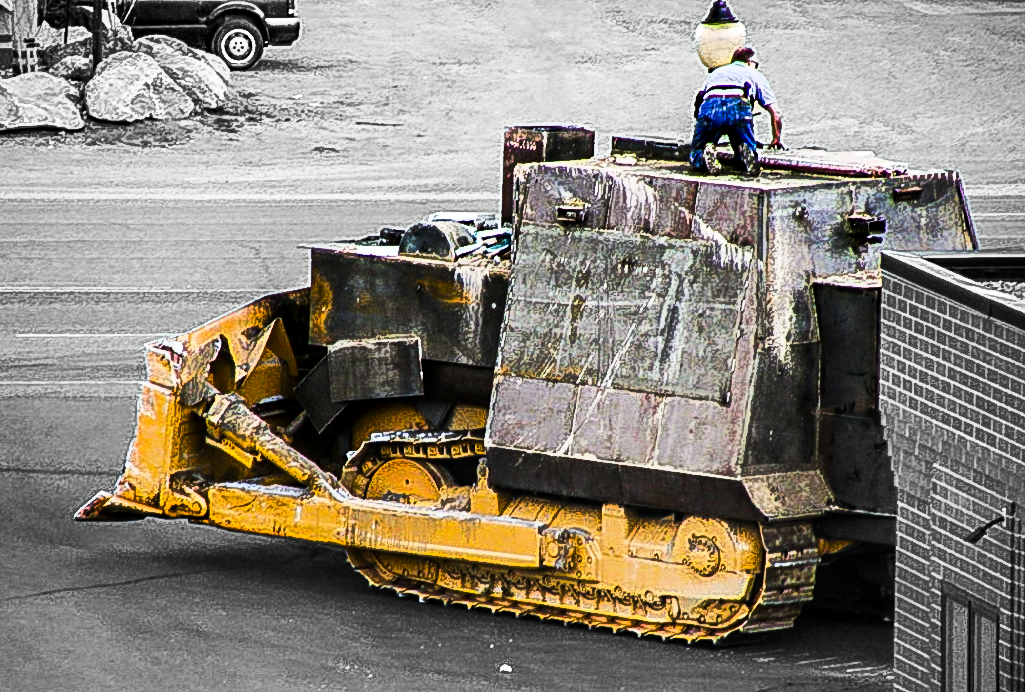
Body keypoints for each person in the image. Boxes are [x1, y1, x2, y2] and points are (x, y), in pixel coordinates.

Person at [689, 46, 783, 176]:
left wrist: (701, 123)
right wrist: (776, 139)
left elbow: (699, 100)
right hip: (739, 104)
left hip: (710, 104)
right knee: (744, 143)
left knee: (697, 150)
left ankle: (704, 157)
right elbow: (775, 113)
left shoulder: (716, 73)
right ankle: (745, 154)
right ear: (750, 62)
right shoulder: (755, 74)